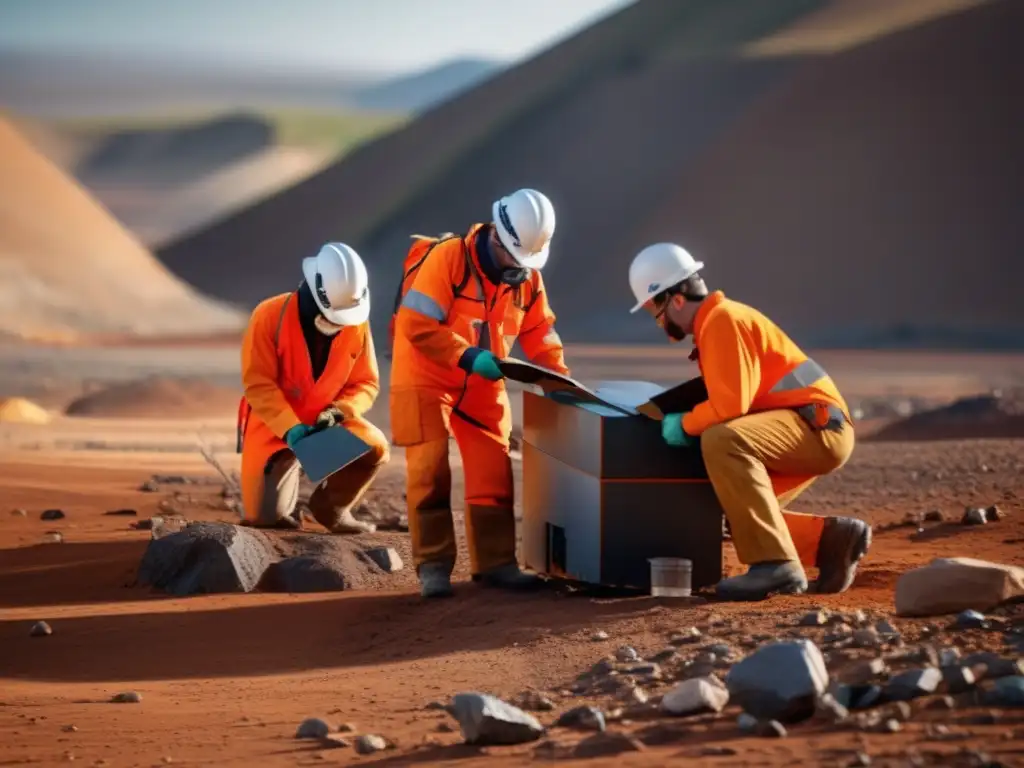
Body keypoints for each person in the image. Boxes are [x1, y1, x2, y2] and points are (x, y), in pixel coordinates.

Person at [627, 242, 871, 601]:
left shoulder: (723, 321)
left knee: (722, 440)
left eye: (655, 309)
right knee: (734, 505)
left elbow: (730, 406)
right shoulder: (719, 322)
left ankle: (775, 566)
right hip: (808, 426)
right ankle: (832, 542)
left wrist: (685, 424)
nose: (659, 322)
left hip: (817, 426)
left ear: (676, 299)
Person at [390, 188, 569, 598]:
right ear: (496, 238)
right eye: (514, 257)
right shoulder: (449, 259)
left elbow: (541, 331)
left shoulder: (527, 276)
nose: (520, 268)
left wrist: (558, 377)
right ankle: (433, 566)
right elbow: (416, 325)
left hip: (485, 379)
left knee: (494, 468)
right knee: (430, 469)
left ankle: (496, 564)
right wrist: (467, 355)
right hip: (426, 374)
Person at [237, 242, 389, 533]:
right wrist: (291, 429)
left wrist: (339, 411)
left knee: (376, 446)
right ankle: (282, 477)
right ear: (315, 293)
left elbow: (366, 383)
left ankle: (332, 510)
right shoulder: (269, 315)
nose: (339, 322)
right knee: (266, 521)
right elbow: (258, 384)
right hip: (274, 427)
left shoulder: (356, 322)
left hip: (325, 424)